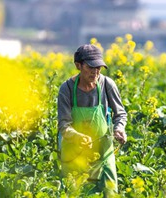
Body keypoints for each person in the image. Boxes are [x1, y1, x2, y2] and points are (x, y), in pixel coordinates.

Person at [57, 44, 127, 196]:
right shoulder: (67, 89)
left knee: (110, 192)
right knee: (74, 192)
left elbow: (120, 114)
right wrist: (76, 136)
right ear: (78, 66)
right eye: (90, 67)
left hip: (103, 151)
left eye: (99, 68)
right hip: (74, 152)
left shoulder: (107, 84)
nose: (95, 72)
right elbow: (63, 125)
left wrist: (119, 129)